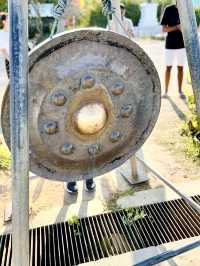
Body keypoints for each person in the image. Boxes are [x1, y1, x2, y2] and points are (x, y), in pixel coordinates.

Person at [161, 2, 186, 99]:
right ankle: (166, 91)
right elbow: (164, 29)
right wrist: (176, 27)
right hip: (170, 44)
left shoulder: (186, 10)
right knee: (168, 68)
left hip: (182, 45)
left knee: (181, 68)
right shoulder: (169, 9)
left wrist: (183, 28)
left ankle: (180, 91)